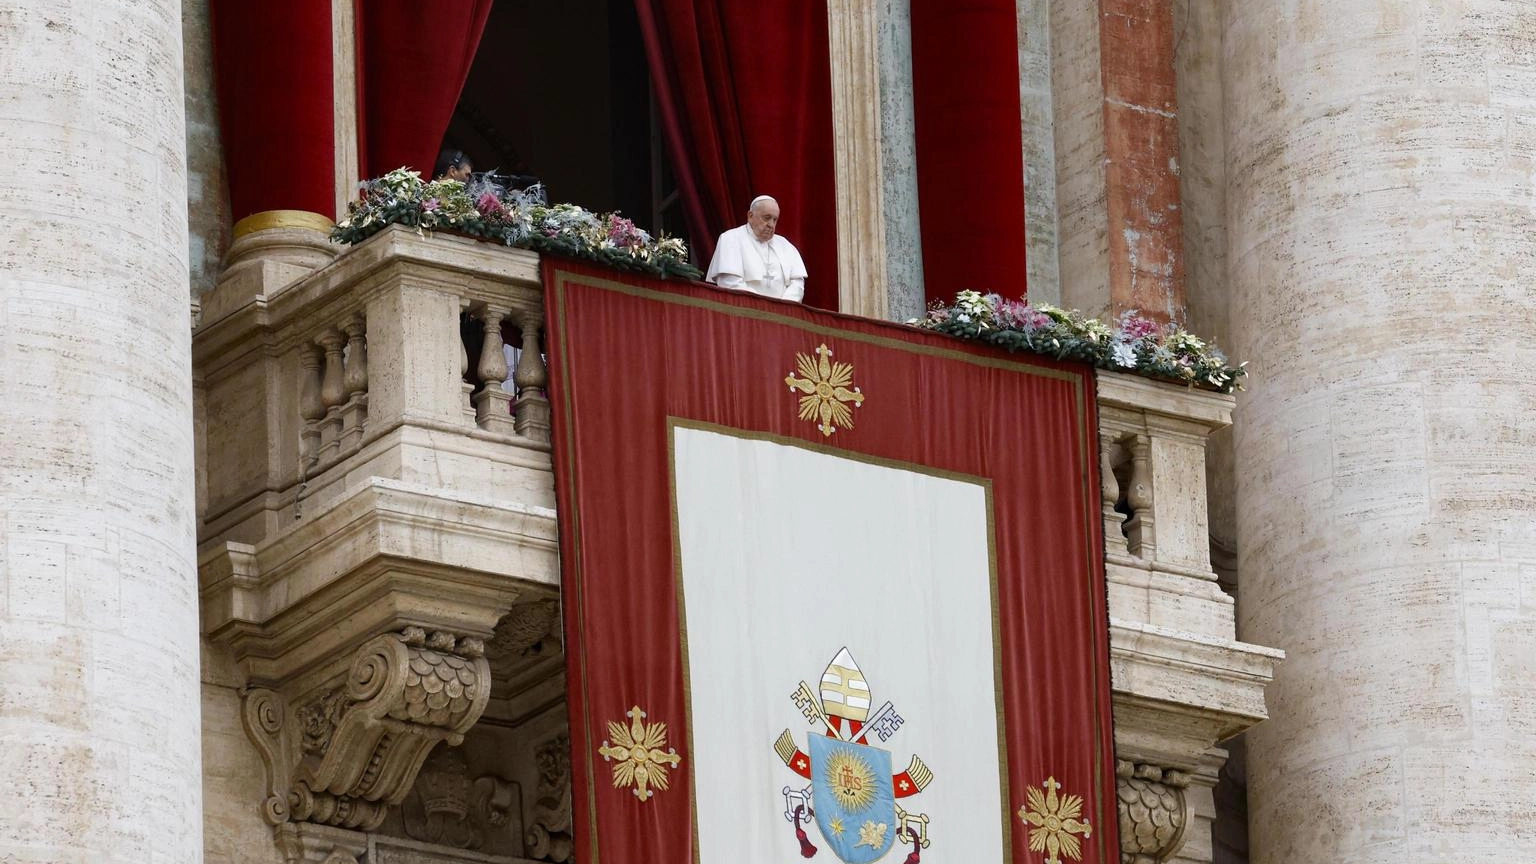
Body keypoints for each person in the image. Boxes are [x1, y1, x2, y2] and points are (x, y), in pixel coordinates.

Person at [706, 195, 807, 302]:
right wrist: (761, 306)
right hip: (744, 312)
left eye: (775, 219)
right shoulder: (730, 239)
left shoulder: (785, 245)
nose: (771, 225)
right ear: (750, 216)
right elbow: (730, 282)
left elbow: (797, 284)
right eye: (766, 218)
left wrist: (783, 307)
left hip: (781, 315)